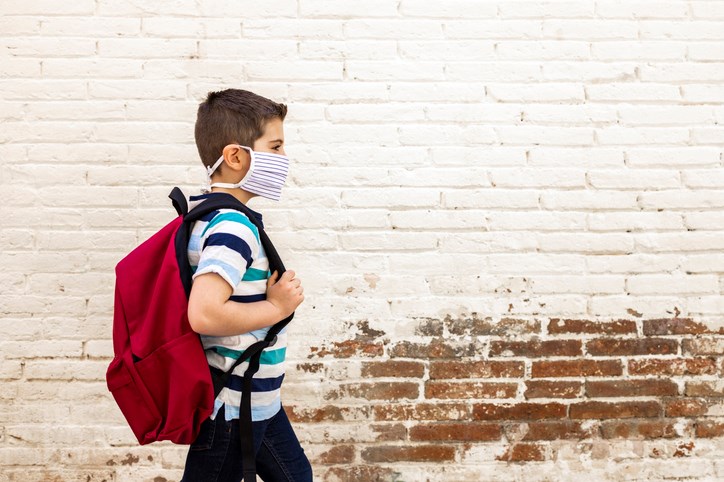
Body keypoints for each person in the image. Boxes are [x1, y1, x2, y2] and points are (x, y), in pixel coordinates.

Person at [181, 88, 312, 482]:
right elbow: (204, 313)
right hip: (231, 406)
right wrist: (277, 307)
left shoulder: (218, 216)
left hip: (257, 398)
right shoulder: (232, 227)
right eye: (275, 146)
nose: (284, 159)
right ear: (236, 156)